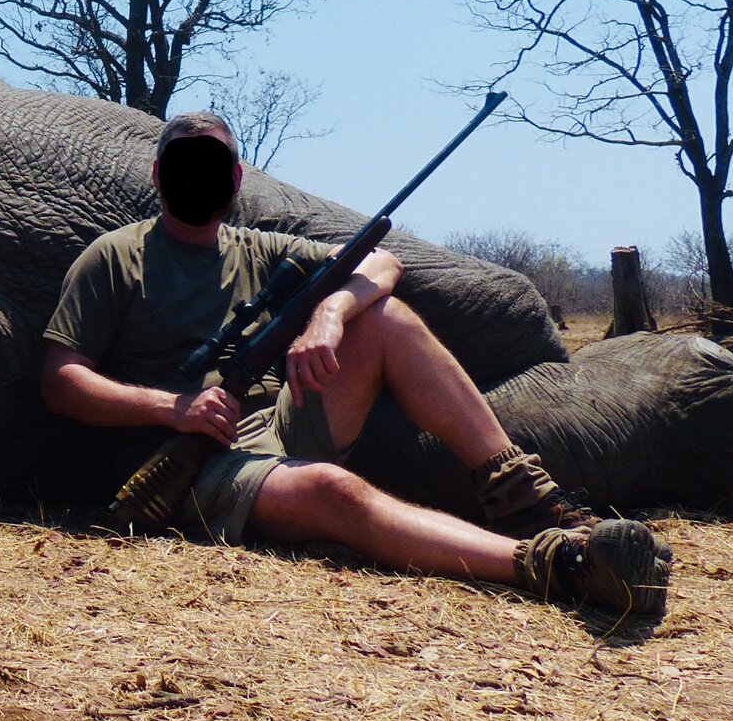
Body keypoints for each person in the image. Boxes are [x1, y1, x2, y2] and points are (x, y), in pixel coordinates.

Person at [40, 110, 671, 613]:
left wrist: (331, 314)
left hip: (278, 426)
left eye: (213, 166)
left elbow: (381, 263)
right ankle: (550, 565)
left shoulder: (259, 248)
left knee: (387, 318)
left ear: (236, 179)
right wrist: (172, 408)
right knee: (331, 489)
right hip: (182, 465)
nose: (200, 178)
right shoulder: (112, 258)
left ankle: (530, 499)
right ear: (158, 176)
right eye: (185, 166)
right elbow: (61, 381)